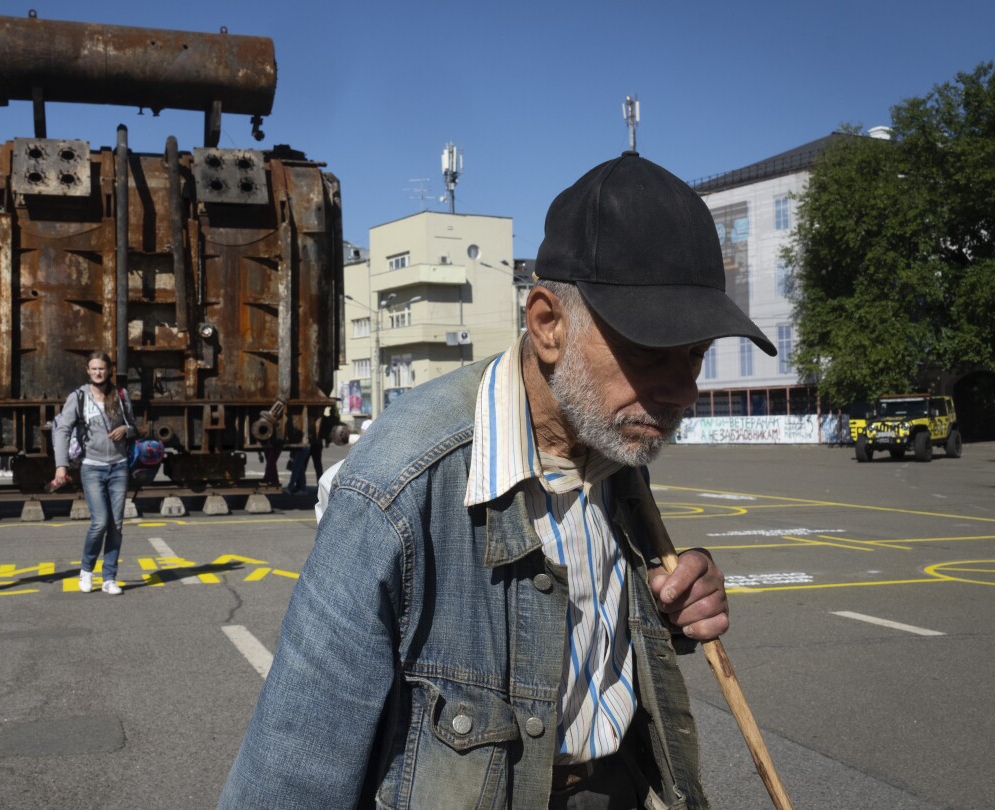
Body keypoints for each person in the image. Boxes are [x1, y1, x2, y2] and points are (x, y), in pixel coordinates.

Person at [219, 152, 778, 810]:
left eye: (696, 354)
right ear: (547, 325)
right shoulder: (397, 489)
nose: (684, 389)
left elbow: (577, 624)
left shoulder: (612, 439)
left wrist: (666, 610)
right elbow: (291, 775)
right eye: (652, 351)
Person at [51, 351, 136, 596]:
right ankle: (86, 570)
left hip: (119, 466)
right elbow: (62, 430)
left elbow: (134, 424)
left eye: (102, 368)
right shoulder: (78, 397)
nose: (98, 372)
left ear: (109, 370)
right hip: (92, 467)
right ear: (88, 371)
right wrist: (61, 465)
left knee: (116, 525)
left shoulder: (120, 395)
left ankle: (109, 577)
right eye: (94, 368)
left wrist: (125, 429)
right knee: (99, 523)